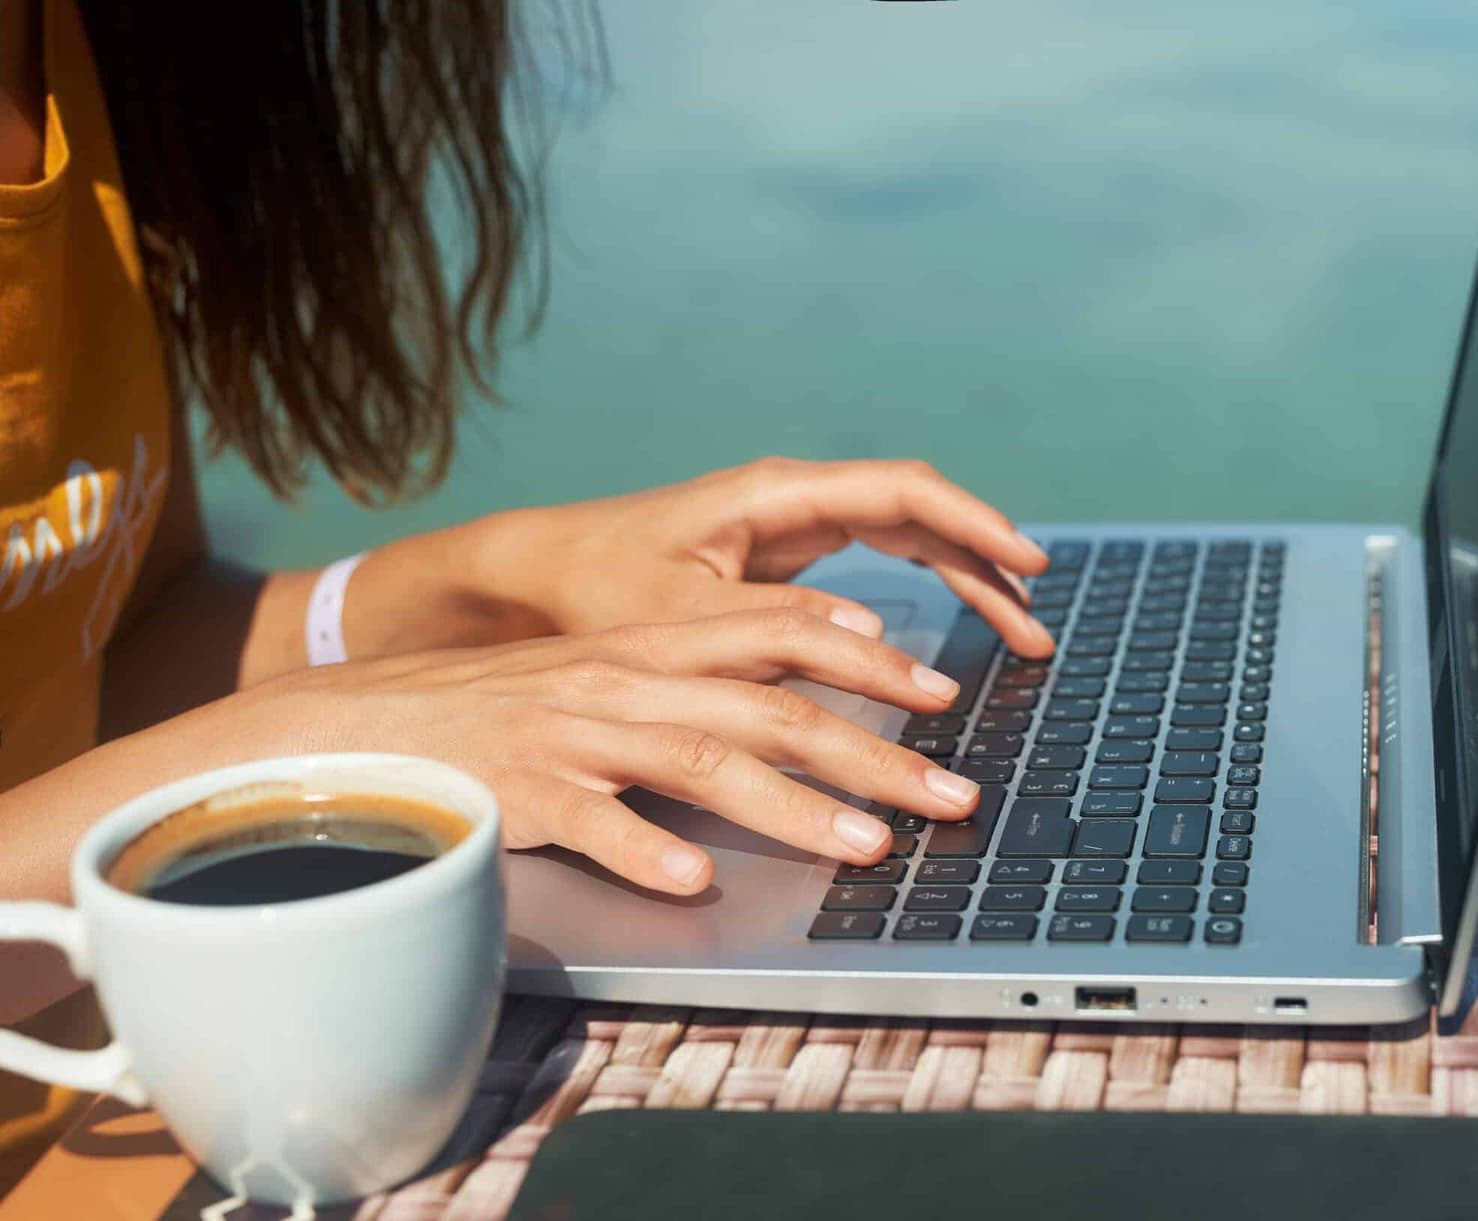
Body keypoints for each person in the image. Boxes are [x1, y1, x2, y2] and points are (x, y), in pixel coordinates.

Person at [0, 0, 1052, 1184]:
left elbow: (112, 648)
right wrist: (311, 743)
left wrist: (497, 581)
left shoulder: (81, 52)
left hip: (157, 1088)